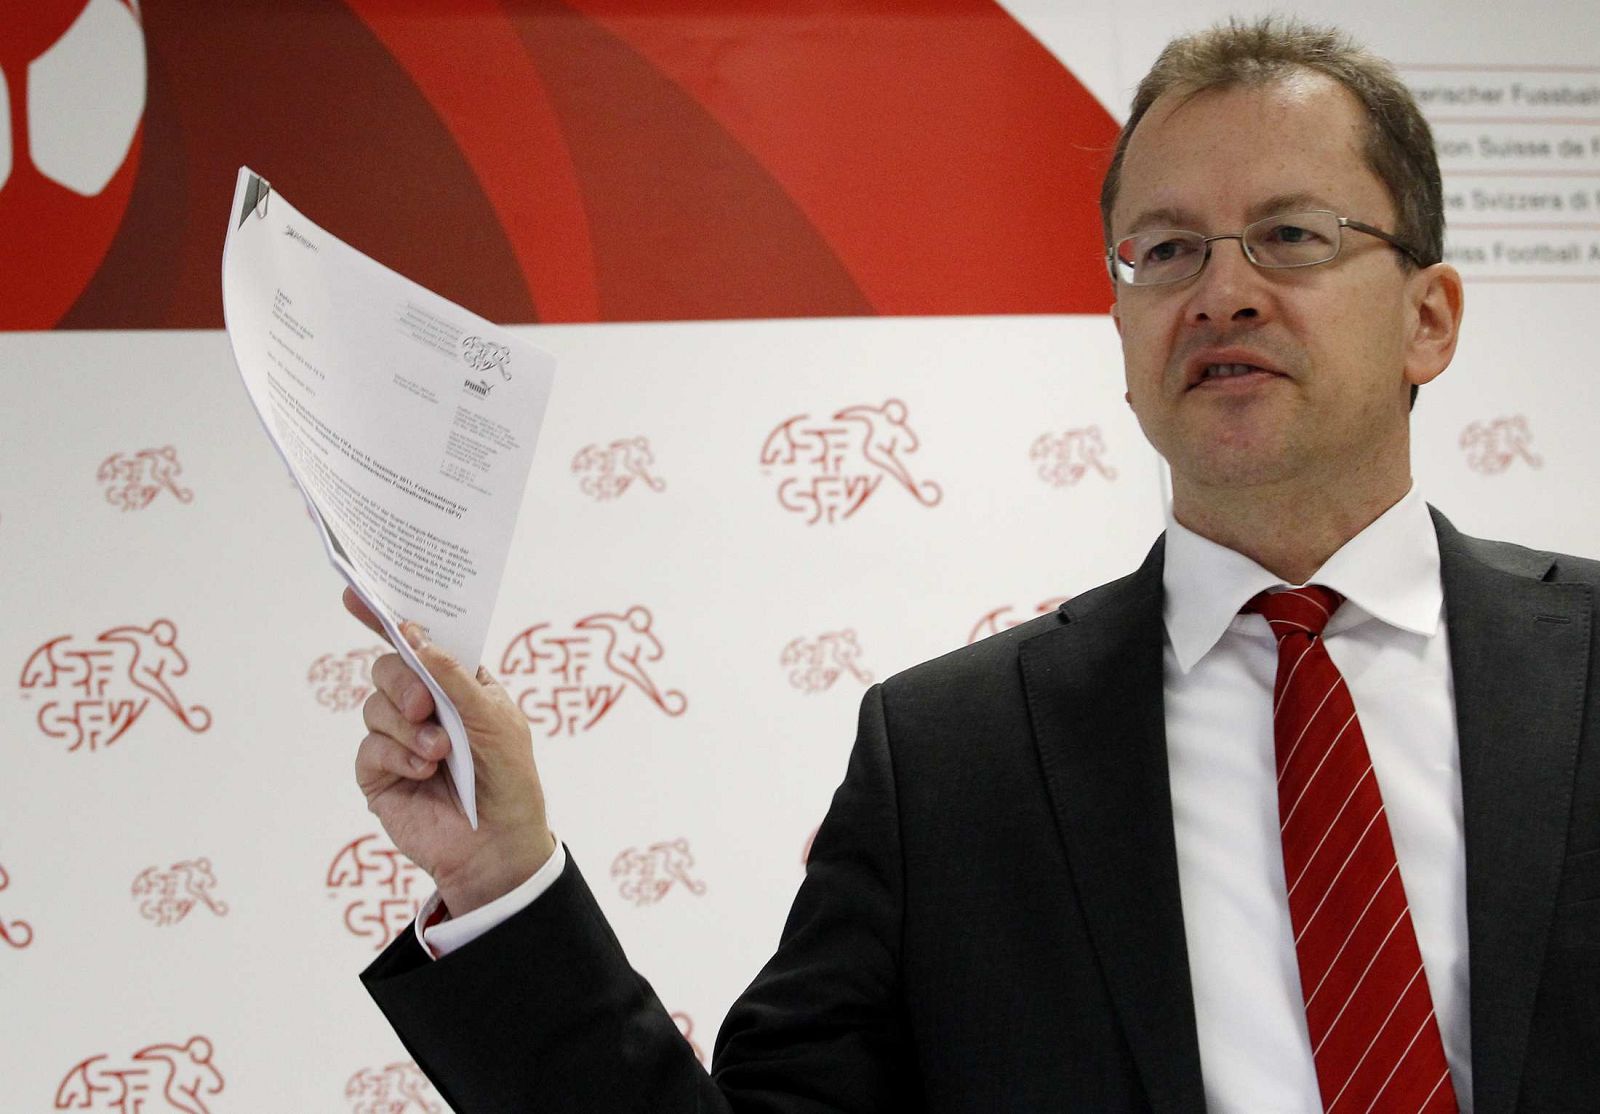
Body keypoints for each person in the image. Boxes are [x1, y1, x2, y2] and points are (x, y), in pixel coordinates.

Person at [344, 17, 1600, 1112]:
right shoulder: (949, 762)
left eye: (1290, 235)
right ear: (1120, 332)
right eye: (1164, 251)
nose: (1222, 292)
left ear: (1427, 318)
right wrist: (501, 880)